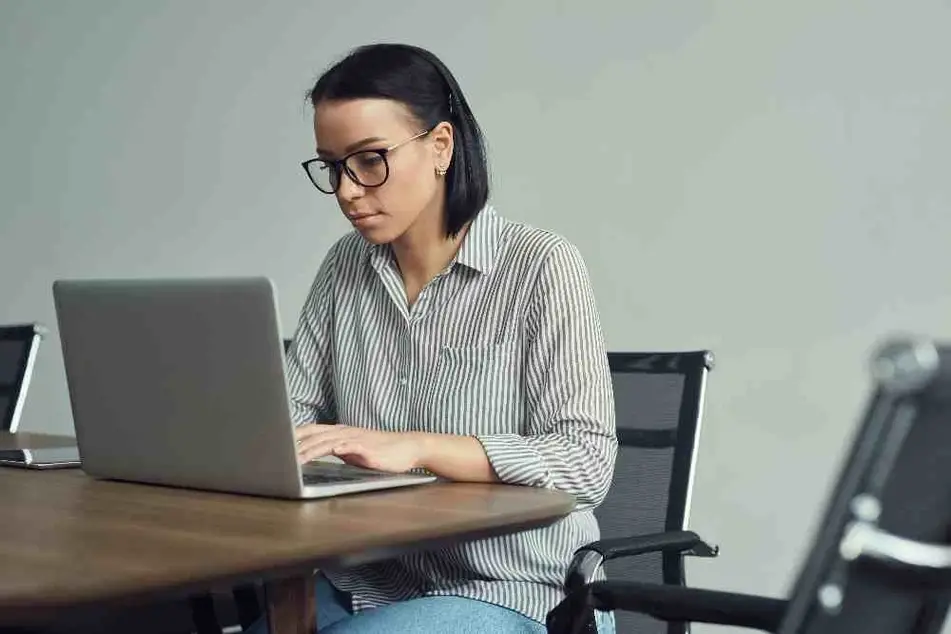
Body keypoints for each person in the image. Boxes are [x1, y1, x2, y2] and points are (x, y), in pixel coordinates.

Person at [251, 43, 617, 634]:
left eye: (369, 159)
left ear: (441, 146)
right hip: (371, 579)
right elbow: (288, 422)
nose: (347, 190)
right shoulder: (344, 267)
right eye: (331, 165)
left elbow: (585, 463)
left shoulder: (540, 266)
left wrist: (417, 447)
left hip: (516, 590)